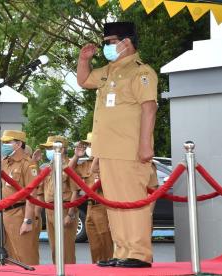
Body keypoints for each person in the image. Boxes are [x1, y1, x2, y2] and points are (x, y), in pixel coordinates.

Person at [77, 21, 158, 268]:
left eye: (110, 42)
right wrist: (83, 60)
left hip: (129, 149)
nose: (107, 47)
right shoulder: (109, 70)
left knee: (132, 202)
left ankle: (139, 253)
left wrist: (145, 145)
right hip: (108, 150)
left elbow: (149, 108)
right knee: (115, 204)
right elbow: (84, 81)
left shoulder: (141, 72)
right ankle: (123, 250)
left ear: (126, 42)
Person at [0, 130, 39, 265]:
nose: (3, 145)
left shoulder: (28, 164)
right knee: (9, 258)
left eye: (7, 142)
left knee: (25, 256)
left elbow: (32, 194)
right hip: (4, 214)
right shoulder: (4, 162)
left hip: (20, 213)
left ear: (18, 144)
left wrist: (28, 220)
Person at [69, 133, 114, 264]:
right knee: (94, 244)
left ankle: (110, 266)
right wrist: (76, 156)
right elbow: (68, 171)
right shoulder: (86, 164)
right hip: (89, 206)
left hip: (102, 205)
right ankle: (97, 267)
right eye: (88, 145)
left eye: (91, 144)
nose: (88, 147)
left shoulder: (105, 162)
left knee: (105, 240)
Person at [38, 136, 79, 264]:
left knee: (65, 250)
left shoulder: (69, 166)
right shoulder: (49, 166)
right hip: (50, 210)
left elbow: (75, 191)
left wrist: (70, 215)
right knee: (55, 249)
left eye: (51, 148)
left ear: (61, 149)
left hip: (64, 209)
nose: (48, 151)